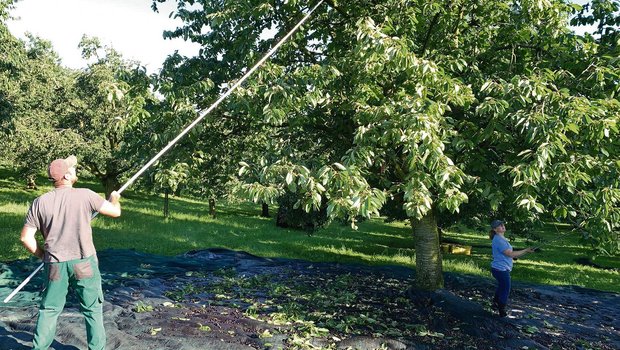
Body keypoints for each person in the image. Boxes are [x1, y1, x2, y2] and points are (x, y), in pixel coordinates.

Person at [20, 155, 121, 350]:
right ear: (66, 176)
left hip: (55, 265)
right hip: (84, 263)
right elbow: (115, 212)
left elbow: (26, 238)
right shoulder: (86, 195)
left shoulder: (39, 202)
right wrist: (114, 199)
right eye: (72, 169)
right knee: (92, 309)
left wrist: (42, 255)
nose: (75, 170)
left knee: (49, 309)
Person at [489, 219, 534, 317]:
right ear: (495, 229)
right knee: (505, 289)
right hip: (501, 270)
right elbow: (510, 254)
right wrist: (525, 250)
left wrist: (517, 255)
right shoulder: (499, 240)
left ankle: (495, 303)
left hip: (499, 268)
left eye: (502, 224)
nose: (502, 226)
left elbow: (509, 254)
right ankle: (502, 311)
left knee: (502, 286)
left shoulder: (500, 238)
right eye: (500, 226)